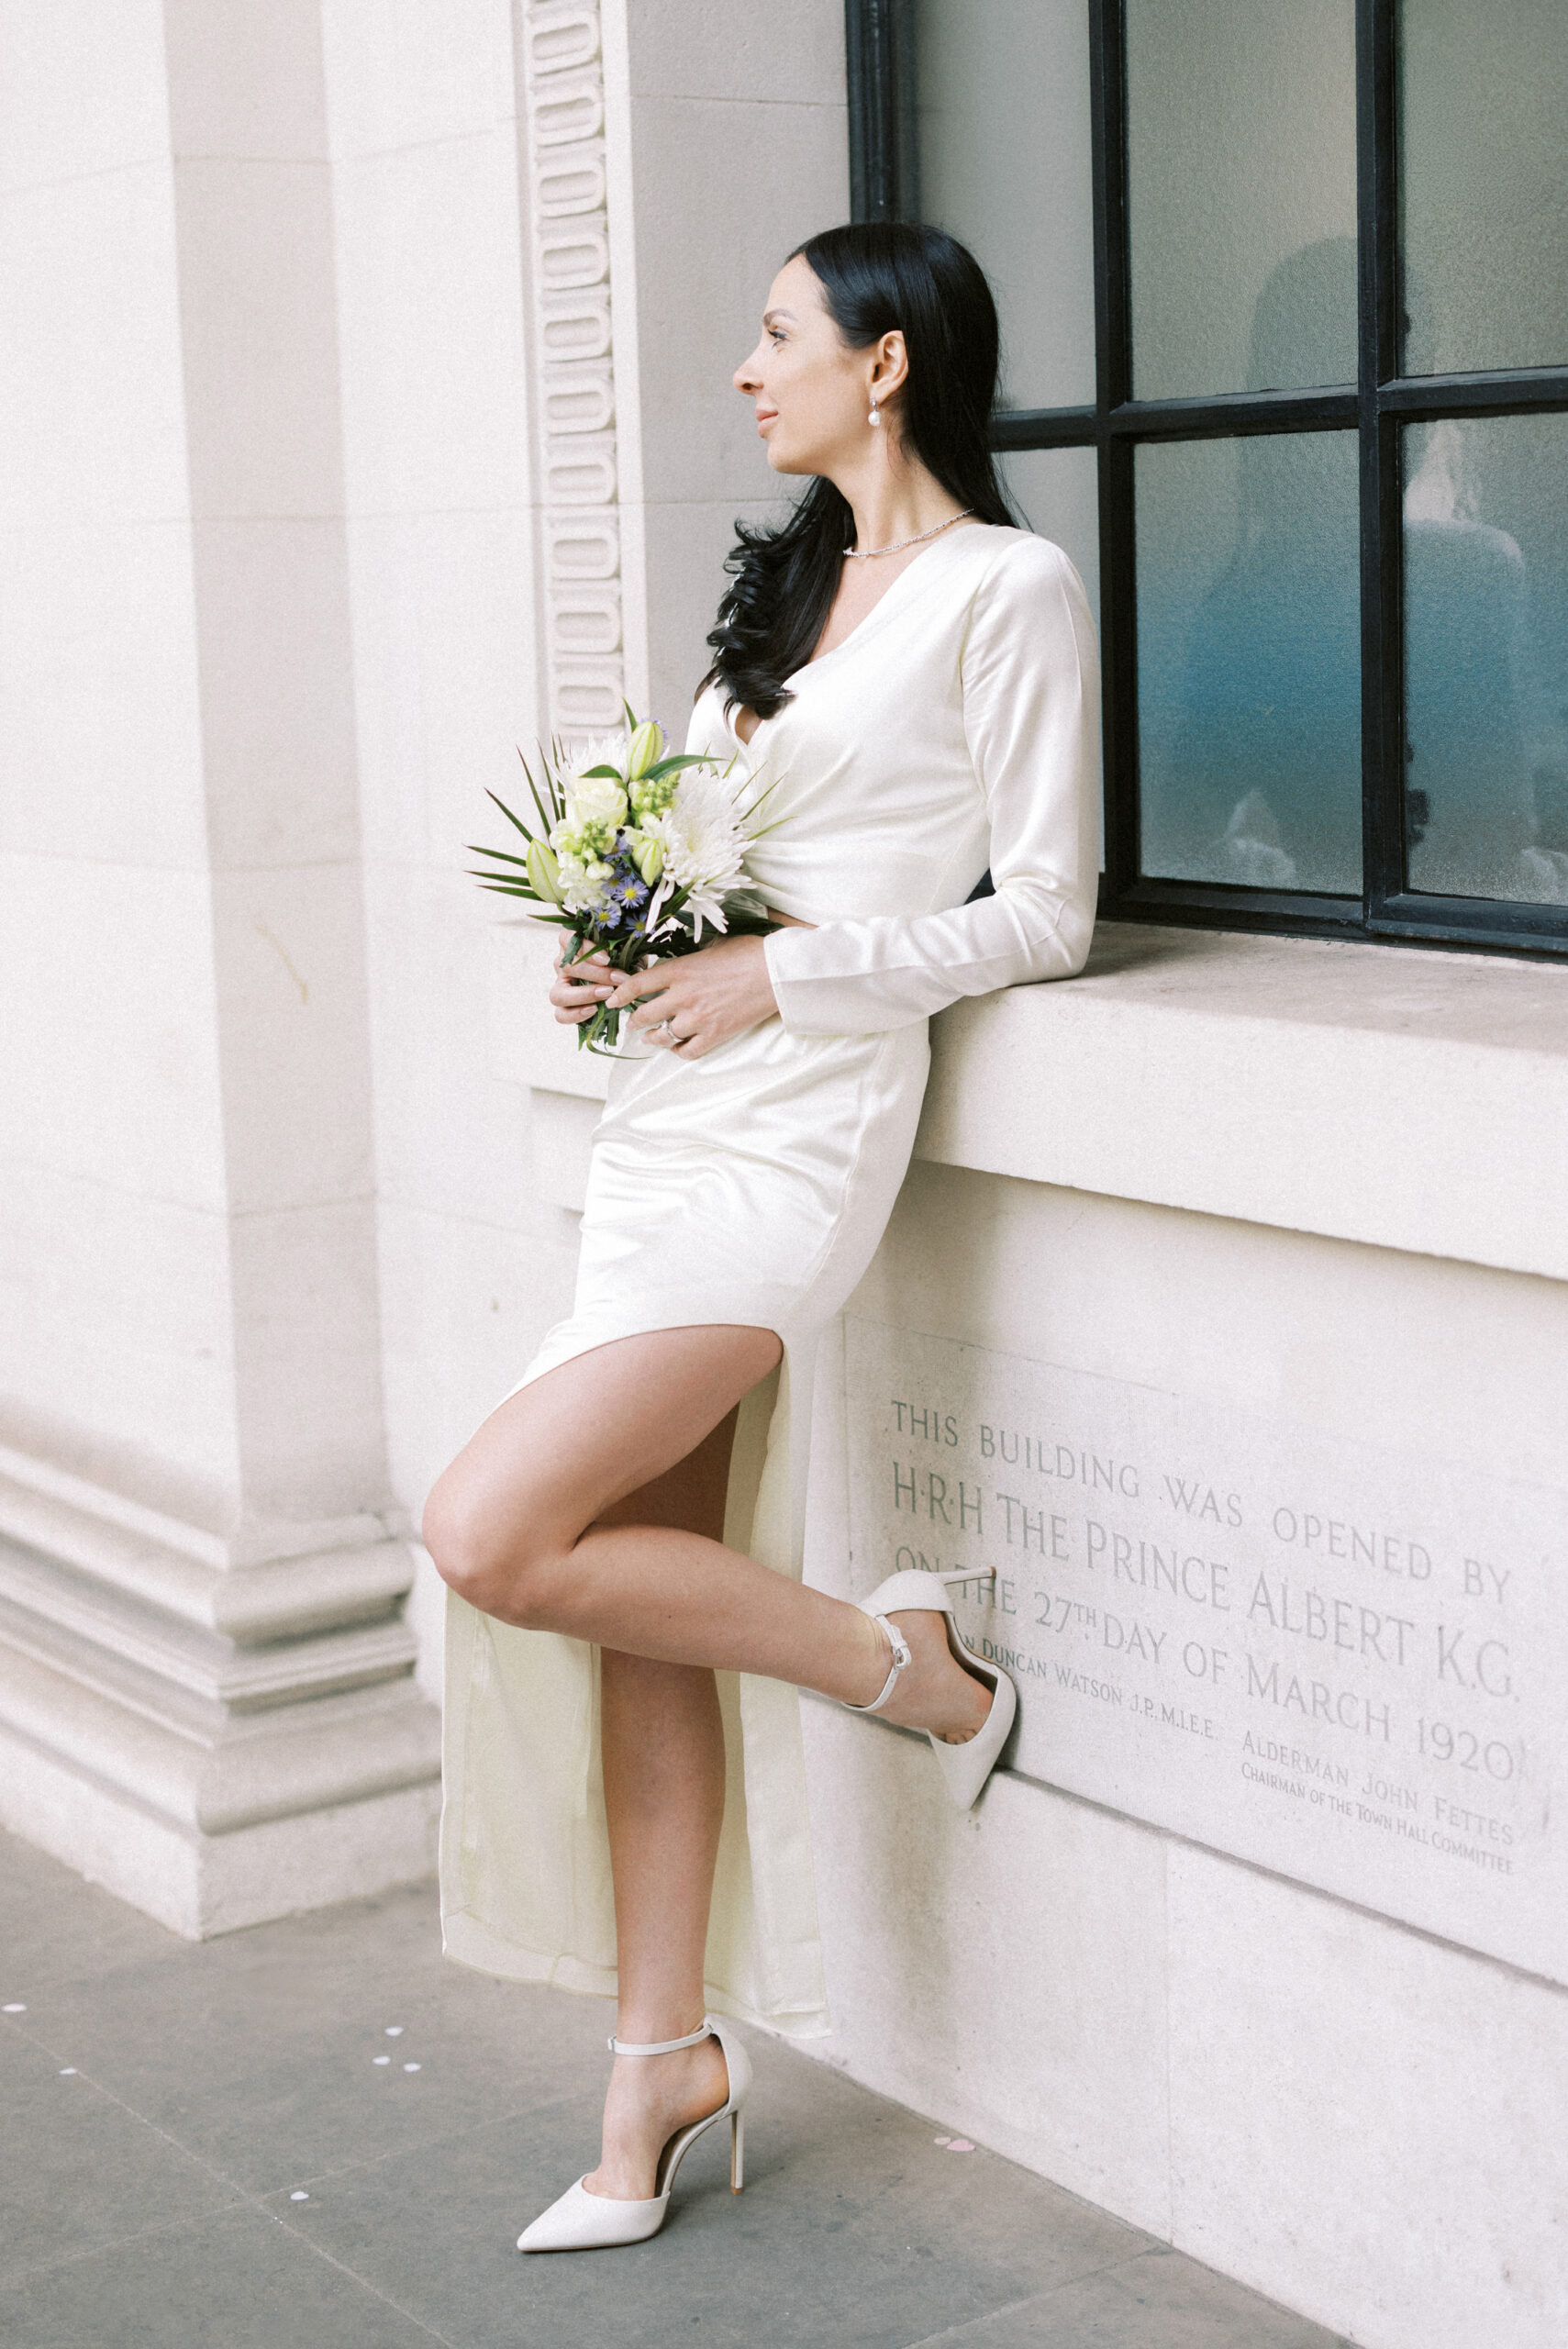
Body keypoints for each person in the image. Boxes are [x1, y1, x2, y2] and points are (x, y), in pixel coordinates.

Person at [421, 219, 1100, 2253]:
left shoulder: (1009, 587)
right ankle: (656, 2072)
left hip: (798, 1133)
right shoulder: (792, 589)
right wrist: (627, 954)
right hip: (668, 1124)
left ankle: (911, 1667)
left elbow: (1045, 908)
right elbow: (724, 869)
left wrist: (788, 976)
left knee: (495, 1530)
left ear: (885, 364)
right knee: (637, 1598)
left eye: (778, 332)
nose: (746, 366)